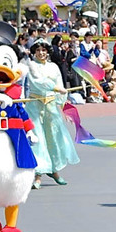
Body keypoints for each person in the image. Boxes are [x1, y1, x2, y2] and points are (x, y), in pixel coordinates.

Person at [25, 39, 80, 189]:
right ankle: (38, 175)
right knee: (38, 140)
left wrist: (62, 106)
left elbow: (61, 87)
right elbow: (38, 82)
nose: (41, 53)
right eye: (38, 50)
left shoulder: (53, 67)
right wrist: (55, 88)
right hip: (34, 106)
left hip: (50, 106)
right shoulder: (31, 66)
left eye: (43, 50)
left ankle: (54, 170)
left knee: (54, 138)